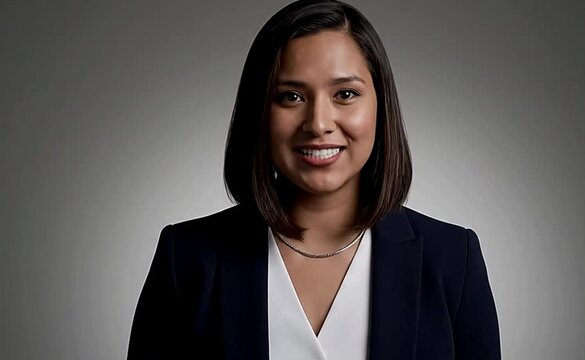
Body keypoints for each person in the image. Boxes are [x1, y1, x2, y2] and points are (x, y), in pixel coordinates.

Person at [127, 0, 500, 359]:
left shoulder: (453, 259)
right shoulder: (188, 259)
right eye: (290, 96)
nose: (319, 123)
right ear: (259, 112)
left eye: (345, 94)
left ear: (380, 106)